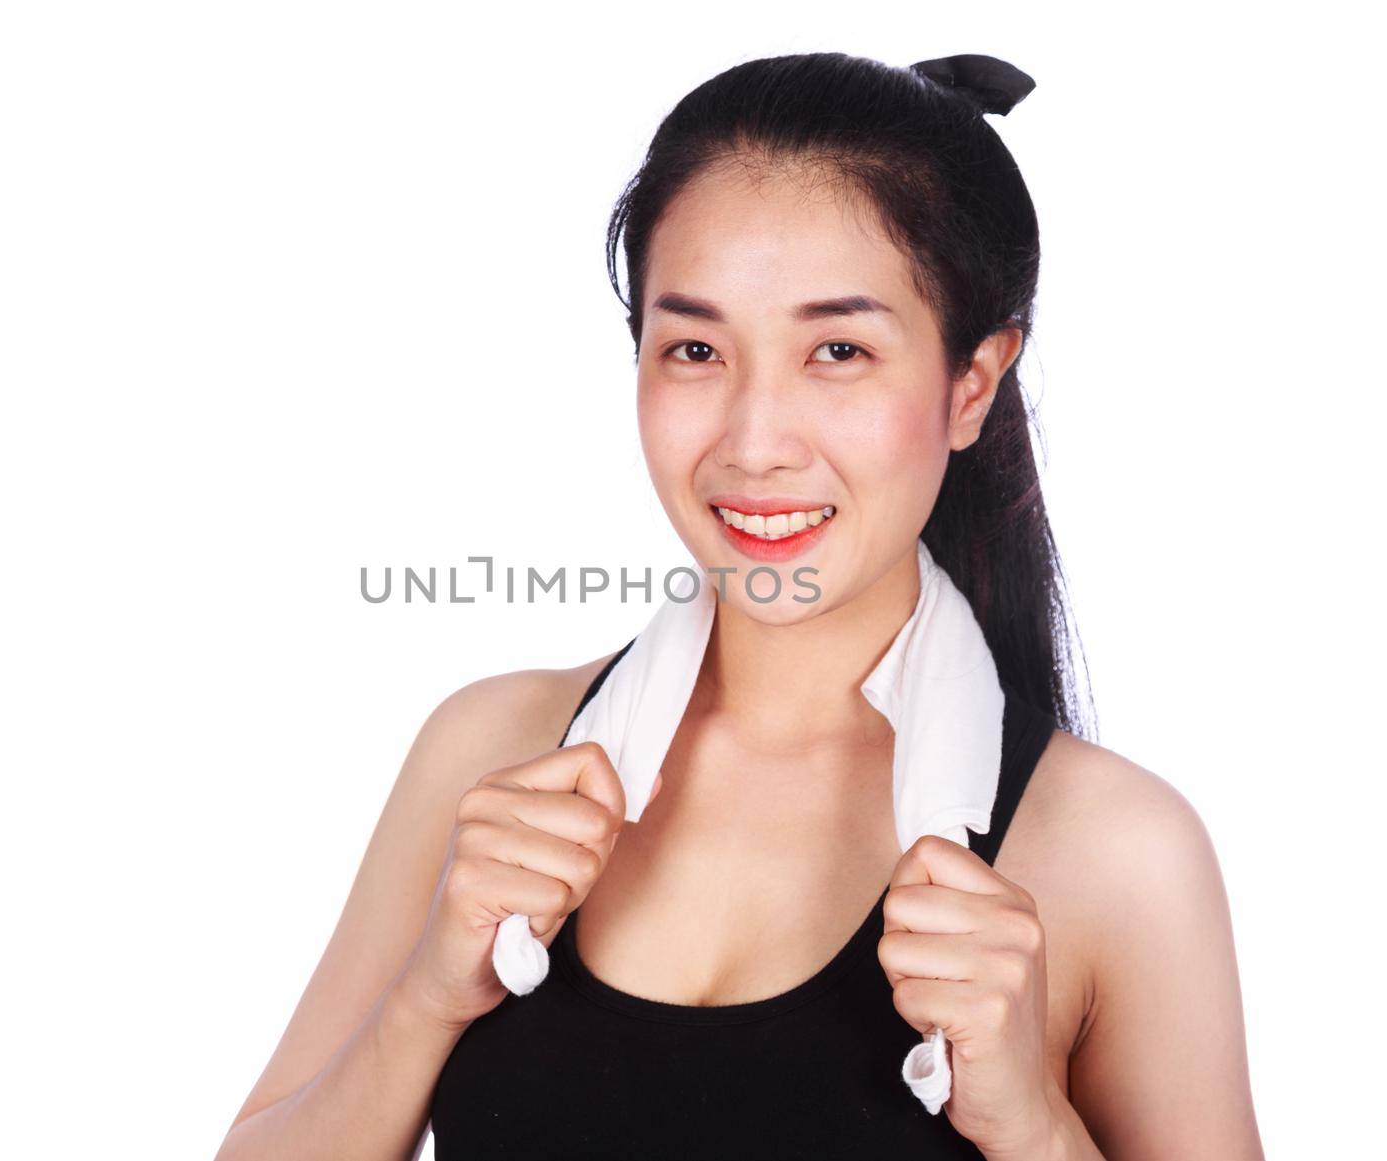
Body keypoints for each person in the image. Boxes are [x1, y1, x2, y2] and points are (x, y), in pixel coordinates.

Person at [214, 52, 1263, 1160]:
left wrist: (1032, 1128)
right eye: (696, 349)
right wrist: (429, 996)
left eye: (838, 351)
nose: (754, 443)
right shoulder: (491, 753)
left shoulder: (1113, 854)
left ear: (971, 384)